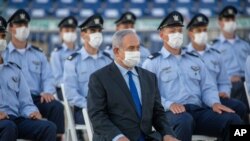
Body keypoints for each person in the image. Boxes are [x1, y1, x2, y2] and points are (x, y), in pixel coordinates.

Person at [142, 11, 243, 141]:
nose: (177, 34)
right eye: (172, 31)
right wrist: (169, 104)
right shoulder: (152, 63)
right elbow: (148, 95)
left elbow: (208, 87)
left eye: (179, 30)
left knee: (234, 120)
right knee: (185, 120)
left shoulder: (195, 59)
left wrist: (214, 102)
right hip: (169, 114)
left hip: (197, 111)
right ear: (162, 35)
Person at [87, 29, 178, 141]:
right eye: (131, 48)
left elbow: (158, 113)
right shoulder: (99, 78)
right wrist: (118, 137)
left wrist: (167, 134)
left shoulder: (149, 77)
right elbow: (97, 116)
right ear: (116, 51)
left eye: (138, 48)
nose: (136, 52)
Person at [3, 9, 64, 140]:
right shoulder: (5, 55)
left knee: (55, 109)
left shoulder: (37, 54)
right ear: (11, 28)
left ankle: (58, 138)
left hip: (35, 98)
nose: (23, 28)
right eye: (19, 25)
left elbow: (48, 77)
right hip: (9, 110)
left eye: (25, 24)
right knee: (9, 126)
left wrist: (46, 92)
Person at [186, 13, 247, 121]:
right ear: (190, 33)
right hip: (194, 101)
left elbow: (224, 81)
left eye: (204, 30)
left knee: (240, 107)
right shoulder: (184, 55)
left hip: (216, 97)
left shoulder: (216, 54)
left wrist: (224, 92)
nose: (202, 33)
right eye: (198, 30)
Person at [63, 14, 112, 140]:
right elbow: (70, 93)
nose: (97, 34)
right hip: (85, 108)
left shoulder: (107, 60)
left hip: (108, 107)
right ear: (83, 34)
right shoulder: (73, 61)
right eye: (92, 31)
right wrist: (91, 105)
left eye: (99, 31)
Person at [211, 5, 250, 113]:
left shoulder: (245, 45)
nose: (230, 22)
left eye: (232, 19)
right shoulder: (214, 47)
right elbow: (211, 74)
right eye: (227, 19)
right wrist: (228, 79)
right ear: (220, 22)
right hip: (230, 86)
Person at [50, 15, 80, 100]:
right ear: (61, 33)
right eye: (67, 30)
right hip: (65, 90)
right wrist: (73, 85)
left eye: (72, 30)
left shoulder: (81, 52)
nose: (70, 33)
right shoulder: (56, 54)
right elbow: (57, 79)